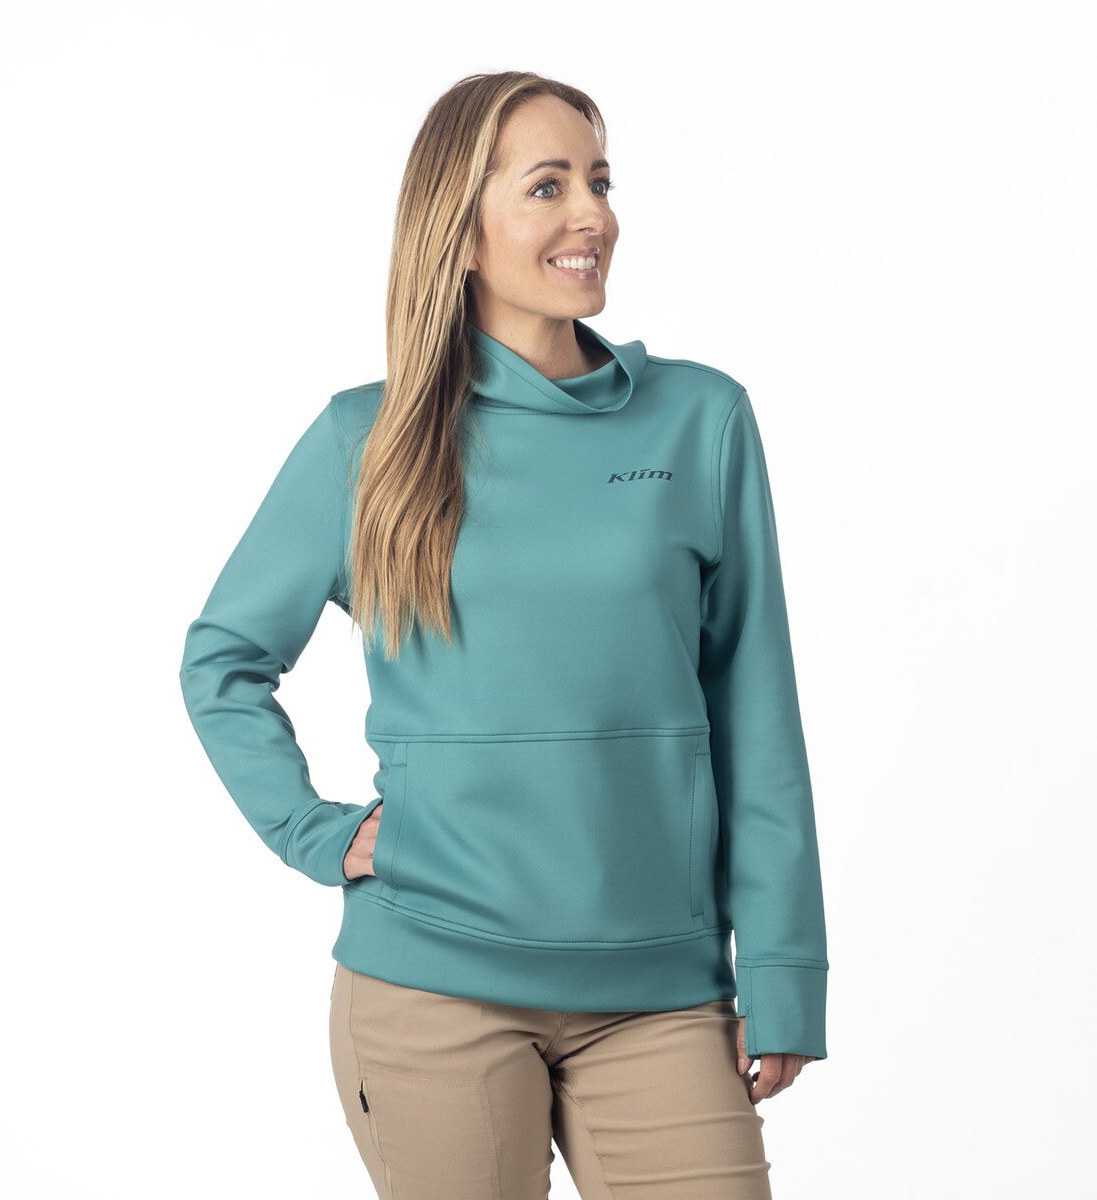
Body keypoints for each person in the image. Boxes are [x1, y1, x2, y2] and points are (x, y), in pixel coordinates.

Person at [179, 70, 830, 1200]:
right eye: (548, 186)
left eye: (600, 182)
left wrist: (781, 968)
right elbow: (224, 661)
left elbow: (755, 712)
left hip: (662, 994)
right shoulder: (368, 440)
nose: (593, 216)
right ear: (462, 225)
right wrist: (316, 832)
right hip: (430, 987)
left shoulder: (701, 418)